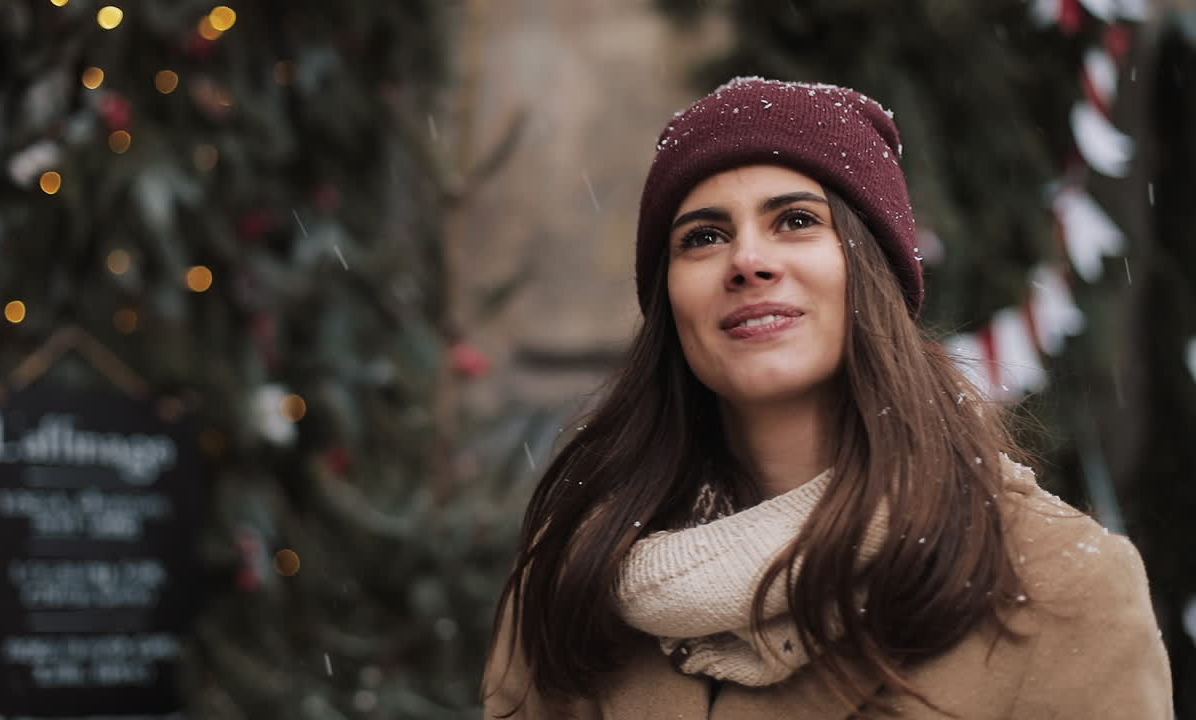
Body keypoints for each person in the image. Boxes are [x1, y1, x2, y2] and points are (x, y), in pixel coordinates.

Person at [481, 76, 1173, 718]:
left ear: (872, 271)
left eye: (796, 221)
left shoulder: (1064, 588)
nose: (747, 260)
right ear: (669, 299)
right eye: (705, 237)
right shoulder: (574, 573)